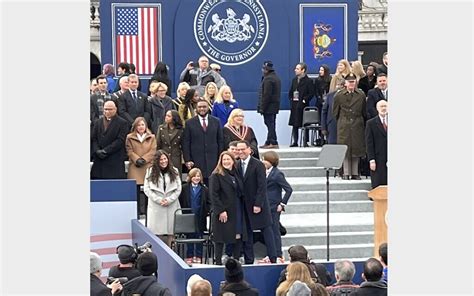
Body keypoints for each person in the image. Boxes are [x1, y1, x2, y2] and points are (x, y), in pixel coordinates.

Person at [236, 140, 276, 264]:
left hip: (259, 204)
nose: (241, 152)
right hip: (244, 205)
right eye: (238, 150)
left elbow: (262, 186)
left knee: (266, 230)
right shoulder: (236, 164)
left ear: (249, 150)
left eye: (243, 149)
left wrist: (258, 204)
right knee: (247, 233)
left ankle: (273, 257)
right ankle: (249, 260)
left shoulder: (258, 164)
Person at [209, 151, 247, 265]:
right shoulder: (216, 175)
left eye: (228, 159)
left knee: (237, 235)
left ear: (232, 161)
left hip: (237, 209)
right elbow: (213, 195)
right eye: (224, 160)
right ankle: (218, 262)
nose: (226, 162)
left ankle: (235, 261)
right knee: (220, 237)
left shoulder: (236, 174)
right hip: (223, 210)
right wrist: (221, 210)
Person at [143, 150, 182, 247]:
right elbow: (147, 189)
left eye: (165, 159)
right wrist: (158, 200)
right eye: (161, 159)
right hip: (157, 206)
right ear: (157, 161)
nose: (163, 161)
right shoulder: (150, 171)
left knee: (171, 233)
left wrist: (169, 200)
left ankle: (172, 254)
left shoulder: (174, 170)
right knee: (157, 234)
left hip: (171, 205)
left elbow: (178, 188)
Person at [333, 73, 367, 180]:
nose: (351, 84)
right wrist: (342, 121)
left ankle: (355, 173)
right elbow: (335, 112)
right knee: (346, 149)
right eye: (349, 82)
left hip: (357, 124)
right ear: (345, 83)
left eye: (353, 82)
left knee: (356, 149)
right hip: (344, 124)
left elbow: (364, 111)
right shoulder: (339, 95)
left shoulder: (361, 95)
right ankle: (346, 173)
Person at [182, 99, 224, 185]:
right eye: (199, 107)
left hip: (213, 160)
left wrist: (221, 158)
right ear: (196, 108)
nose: (202, 109)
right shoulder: (189, 123)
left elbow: (220, 141)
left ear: (208, 107)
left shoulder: (216, 121)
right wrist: (187, 159)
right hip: (196, 160)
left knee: (213, 185)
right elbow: (186, 142)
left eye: (204, 106)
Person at [261, 151, 292, 263]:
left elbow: (288, 189)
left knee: (275, 230)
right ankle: (271, 254)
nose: (263, 162)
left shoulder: (277, 174)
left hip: (274, 206)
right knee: (268, 230)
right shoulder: (263, 172)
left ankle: (278, 254)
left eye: (265, 159)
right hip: (265, 206)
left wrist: (282, 204)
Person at [126, 117, 157, 217]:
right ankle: (137, 212)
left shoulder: (152, 137)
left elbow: (153, 151)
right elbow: (129, 150)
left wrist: (144, 159)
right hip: (135, 166)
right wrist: (137, 159)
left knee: (148, 190)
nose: (140, 127)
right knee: (136, 190)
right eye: (138, 125)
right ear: (135, 126)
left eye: (142, 125)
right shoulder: (129, 137)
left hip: (147, 166)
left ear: (146, 126)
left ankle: (148, 212)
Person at [178, 168, 211, 264]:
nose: (196, 178)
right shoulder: (184, 188)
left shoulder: (204, 189)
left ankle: (199, 255)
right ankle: (189, 255)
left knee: (199, 236)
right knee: (189, 236)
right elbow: (181, 200)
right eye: (194, 176)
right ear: (190, 177)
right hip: (188, 216)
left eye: (198, 176)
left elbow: (209, 202)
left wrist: (207, 211)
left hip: (200, 216)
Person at [91, 100, 129, 179]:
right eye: (105, 109)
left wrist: (106, 151)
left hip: (114, 161)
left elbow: (120, 140)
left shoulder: (122, 123)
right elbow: (94, 139)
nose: (107, 111)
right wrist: (97, 150)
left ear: (115, 109)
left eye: (110, 109)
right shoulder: (98, 122)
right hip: (99, 162)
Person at [288, 62, 315, 147]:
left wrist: (304, 100)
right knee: (294, 124)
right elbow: (291, 90)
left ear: (303, 70)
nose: (295, 70)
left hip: (303, 106)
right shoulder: (294, 80)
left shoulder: (308, 81)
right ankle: (295, 141)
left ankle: (305, 141)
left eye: (297, 69)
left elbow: (311, 93)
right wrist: (291, 98)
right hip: (295, 105)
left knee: (305, 123)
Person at [257, 60, 281, 149]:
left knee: (270, 124)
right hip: (274, 106)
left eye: (264, 69)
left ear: (267, 70)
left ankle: (273, 142)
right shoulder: (275, 78)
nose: (263, 70)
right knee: (271, 124)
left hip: (269, 107)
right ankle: (269, 141)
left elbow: (266, 95)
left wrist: (262, 108)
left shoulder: (268, 79)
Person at [365, 100, 388, 188]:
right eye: (381, 106)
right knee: (379, 184)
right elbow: (369, 143)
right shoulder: (371, 123)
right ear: (377, 109)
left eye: (385, 106)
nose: (383, 108)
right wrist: (371, 160)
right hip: (378, 158)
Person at [156, 109, 184, 176]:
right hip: (164, 157)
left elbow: (183, 145)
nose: (166, 117)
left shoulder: (181, 130)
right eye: (166, 115)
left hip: (175, 157)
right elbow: (158, 144)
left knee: (175, 176)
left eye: (169, 116)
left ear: (174, 118)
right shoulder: (161, 128)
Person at [321, 78, 345, 144]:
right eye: (338, 85)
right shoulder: (330, 96)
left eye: (342, 85)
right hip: (332, 124)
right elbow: (324, 112)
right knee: (332, 145)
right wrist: (323, 127)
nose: (339, 87)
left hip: (344, 125)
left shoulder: (348, 96)